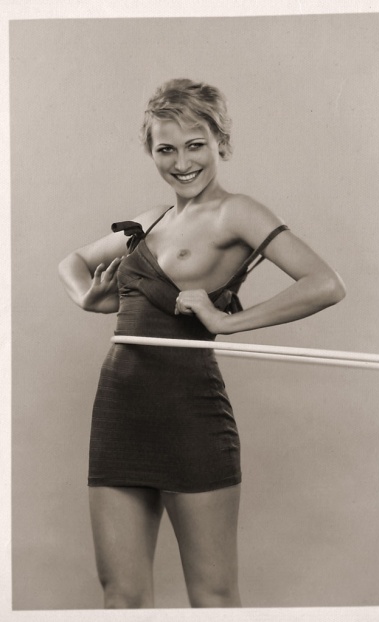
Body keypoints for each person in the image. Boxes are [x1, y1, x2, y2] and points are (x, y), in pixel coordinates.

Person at [58, 78, 346, 609]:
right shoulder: (150, 221)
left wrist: (227, 322)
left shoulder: (237, 212)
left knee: (212, 599)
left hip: (190, 415)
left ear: (220, 142)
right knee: (121, 598)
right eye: (166, 149)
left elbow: (325, 283)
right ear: (151, 152)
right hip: (119, 413)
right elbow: (71, 263)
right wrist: (90, 298)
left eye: (196, 145)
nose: (182, 162)